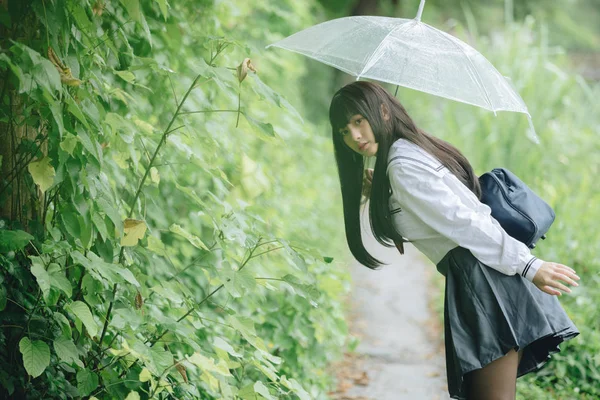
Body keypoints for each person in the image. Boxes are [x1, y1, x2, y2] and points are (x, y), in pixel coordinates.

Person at [328, 80, 580, 400]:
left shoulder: (401, 164)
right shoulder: (406, 155)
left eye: (358, 121)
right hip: (476, 279)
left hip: (483, 280)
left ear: (382, 112)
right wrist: (383, 187)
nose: (354, 136)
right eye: (344, 131)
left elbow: (466, 222)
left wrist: (529, 265)